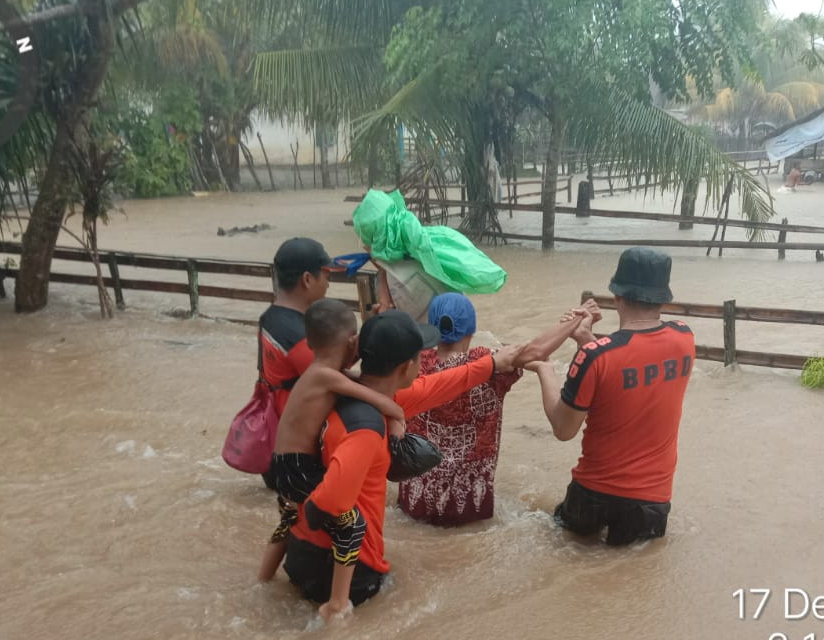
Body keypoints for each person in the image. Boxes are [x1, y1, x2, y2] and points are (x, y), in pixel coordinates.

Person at [283, 311, 521, 615]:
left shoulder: (347, 394)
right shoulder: (366, 428)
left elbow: (440, 385)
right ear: (408, 366)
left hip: (302, 551)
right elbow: (331, 502)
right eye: (421, 357)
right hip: (346, 571)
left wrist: (491, 365)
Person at [527, 247, 696, 546]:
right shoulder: (685, 338)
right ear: (663, 298)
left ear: (617, 296)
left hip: (591, 496)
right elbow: (631, 366)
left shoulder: (597, 356)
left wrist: (546, 370)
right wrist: (587, 340)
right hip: (651, 502)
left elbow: (564, 429)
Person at [256, 300, 406, 595]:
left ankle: (263, 578)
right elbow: (371, 395)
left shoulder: (317, 372)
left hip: (283, 465)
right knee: (351, 526)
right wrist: (398, 416)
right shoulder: (326, 376)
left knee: (289, 519)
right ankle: (338, 602)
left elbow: (354, 380)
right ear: (353, 343)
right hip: (298, 467)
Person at [398, 293, 584, 526]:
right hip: (469, 506)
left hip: (415, 502)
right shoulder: (486, 364)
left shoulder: (414, 364)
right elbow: (536, 351)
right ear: (471, 330)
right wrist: (575, 318)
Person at [256, 237, 339, 490]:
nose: (328, 283)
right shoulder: (296, 334)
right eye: (326, 276)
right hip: (298, 455)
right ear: (307, 279)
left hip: (274, 444)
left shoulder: (271, 318)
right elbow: (331, 379)